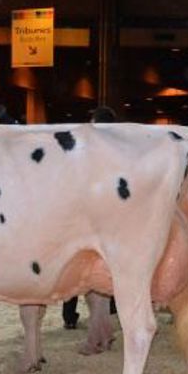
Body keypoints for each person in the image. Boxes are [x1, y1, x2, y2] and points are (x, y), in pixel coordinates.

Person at [62, 105, 118, 329]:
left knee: (77, 261)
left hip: (82, 209)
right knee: (106, 260)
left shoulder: (83, 147)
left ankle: (69, 316)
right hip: (106, 210)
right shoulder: (117, 150)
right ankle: (110, 308)